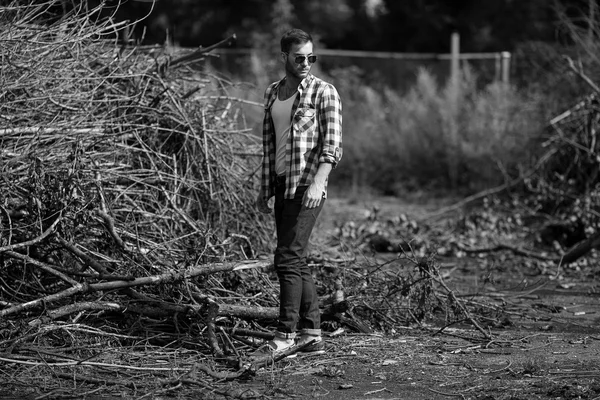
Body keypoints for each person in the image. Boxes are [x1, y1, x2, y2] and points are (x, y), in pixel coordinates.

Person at [254, 28, 343, 357]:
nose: (306, 63)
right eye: (299, 57)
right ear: (284, 58)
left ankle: (285, 334)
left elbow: (332, 146)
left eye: (311, 57)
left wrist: (319, 182)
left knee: (287, 259)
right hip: (282, 184)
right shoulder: (272, 93)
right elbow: (269, 146)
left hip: (308, 186)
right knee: (297, 259)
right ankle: (312, 333)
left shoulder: (324, 92)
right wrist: (265, 188)